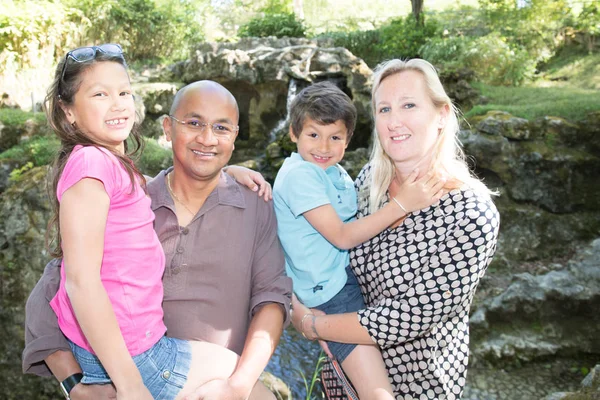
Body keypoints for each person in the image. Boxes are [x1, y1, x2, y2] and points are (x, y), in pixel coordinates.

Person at [23, 44, 291, 400]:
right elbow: (59, 286)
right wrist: (77, 386)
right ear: (167, 128)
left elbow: (273, 297)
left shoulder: (255, 204)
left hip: (214, 388)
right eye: (194, 124)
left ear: (235, 137)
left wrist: (237, 387)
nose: (207, 139)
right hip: (139, 371)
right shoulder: (131, 193)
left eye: (221, 129)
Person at [291, 59, 500, 400]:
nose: (394, 121)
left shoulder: (471, 214)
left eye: (409, 105)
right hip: (341, 383)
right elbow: (310, 233)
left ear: (442, 115)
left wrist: (312, 325)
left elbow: (407, 317)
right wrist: (241, 179)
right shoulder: (368, 182)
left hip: (418, 389)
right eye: (384, 108)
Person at [273, 82, 445, 399]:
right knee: (377, 392)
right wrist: (403, 204)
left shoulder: (336, 173)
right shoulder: (300, 175)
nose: (323, 146)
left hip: (339, 280)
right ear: (293, 134)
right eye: (313, 135)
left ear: (348, 140)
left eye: (335, 137)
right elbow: (341, 235)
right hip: (331, 293)